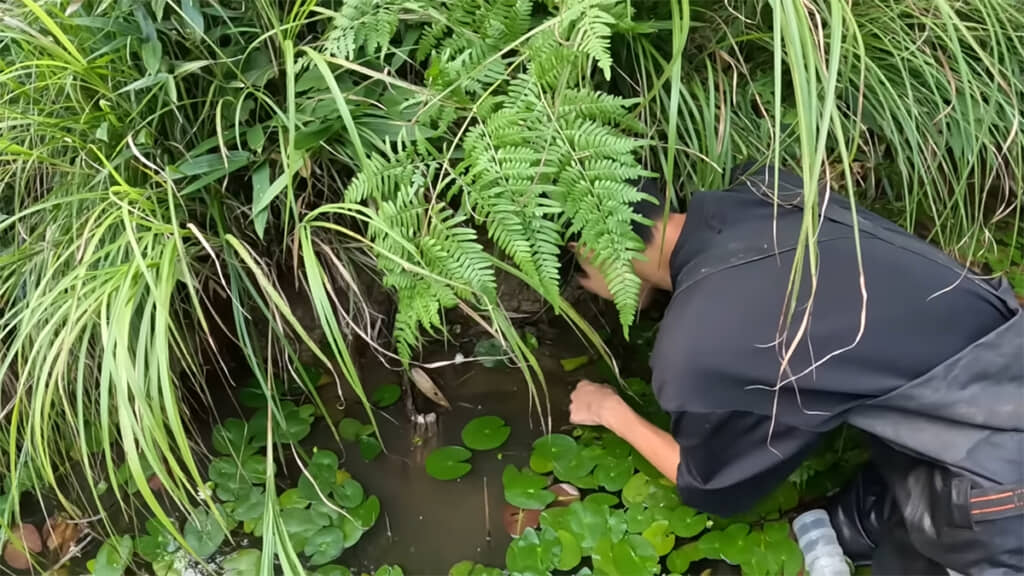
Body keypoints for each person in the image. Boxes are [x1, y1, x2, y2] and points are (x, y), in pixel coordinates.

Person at [568, 165, 1024, 574]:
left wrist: (610, 410)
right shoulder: (766, 188)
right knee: (869, 523)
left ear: (589, 249)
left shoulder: (697, 342)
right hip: (999, 366)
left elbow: (709, 485)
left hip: (996, 487)